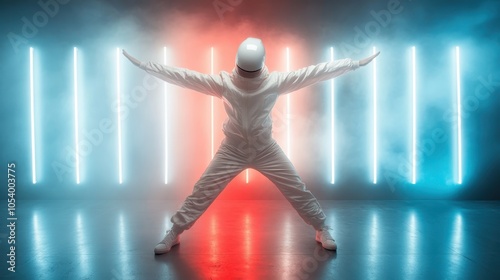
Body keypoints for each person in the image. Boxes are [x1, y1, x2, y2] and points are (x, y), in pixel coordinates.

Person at [122, 37, 379, 255]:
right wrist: (147, 66)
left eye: (250, 72)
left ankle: (322, 228)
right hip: (232, 148)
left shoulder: (275, 81)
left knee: (296, 188)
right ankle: (174, 233)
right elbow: (184, 77)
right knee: (202, 190)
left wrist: (352, 64)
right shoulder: (224, 82)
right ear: (238, 66)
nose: (246, 77)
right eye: (244, 72)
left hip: (265, 148)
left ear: (261, 67)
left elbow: (316, 72)